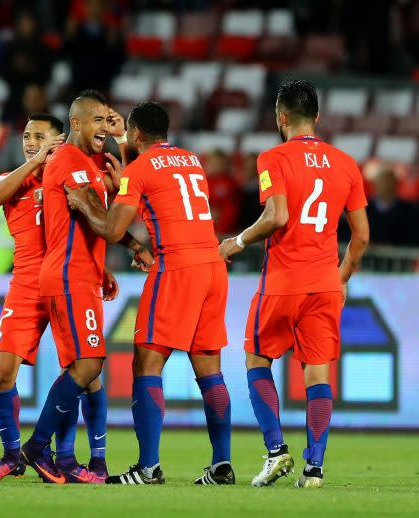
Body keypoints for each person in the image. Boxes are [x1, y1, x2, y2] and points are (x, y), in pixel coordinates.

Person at [65, 101, 234, 485]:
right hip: (212, 266)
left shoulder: (139, 169)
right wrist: (127, 166)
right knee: (210, 371)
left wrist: (84, 204)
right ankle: (222, 463)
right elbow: (152, 182)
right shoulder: (192, 161)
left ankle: (148, 467)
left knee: (145, 365)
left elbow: (110, 229)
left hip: (177, 269)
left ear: (137, 134)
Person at [219, 80, 370, 488]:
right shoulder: (346, 163)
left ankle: (275, 451)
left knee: (256, 360)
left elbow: (277, 216)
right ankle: (315, 468)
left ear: (281, 118)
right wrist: (339, 278)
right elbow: (361, 237)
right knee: (317, 375)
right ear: (316, 118)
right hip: (324, 283)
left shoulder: (273, 157)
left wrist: (235, 242)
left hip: (283, 281)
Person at [19, 90, 151, 484]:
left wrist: (123, 146)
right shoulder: (68, 160)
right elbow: (100, 217)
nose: (104, 128)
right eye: (98, 120)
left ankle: (72, 458)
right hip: (67, 274)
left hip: (83, 274)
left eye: (108, 120)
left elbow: (112, 207)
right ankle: (38, 447)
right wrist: (131, 241)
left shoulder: (93, 164)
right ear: (75, 124)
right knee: (88, 365)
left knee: (84, 370)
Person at [0, 113, 110, 483]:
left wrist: (103, 270)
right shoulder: (13, 178)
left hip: (69, 279)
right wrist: (36, 160)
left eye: (39, 136)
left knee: (85, 374)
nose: (30, 141)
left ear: (60, 139)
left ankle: (75, 457)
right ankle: (12, 456)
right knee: (2, 374)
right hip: (26, 285)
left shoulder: (70, 173)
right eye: (26, 135)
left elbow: (90, 227)